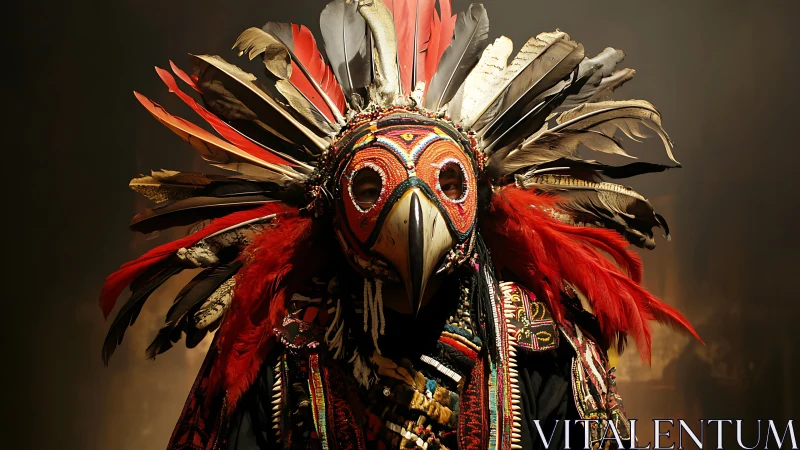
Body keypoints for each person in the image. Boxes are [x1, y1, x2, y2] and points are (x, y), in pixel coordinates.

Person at [99, 1, 700, 448]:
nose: (414, 208)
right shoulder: (285, 345)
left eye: (448, 182)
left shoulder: (538, 343)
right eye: (371, 186)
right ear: (333, 207)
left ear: (478, 197)